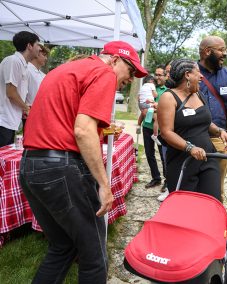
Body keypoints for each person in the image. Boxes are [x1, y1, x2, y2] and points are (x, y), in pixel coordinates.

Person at [19, 41, 147, 283]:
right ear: (115, 60)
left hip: (31, 165)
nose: (130, 79)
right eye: (131, 72)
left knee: (63, 245)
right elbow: (82, 131)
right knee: (94, 256)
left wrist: (101, 130)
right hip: (61, 168)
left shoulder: (67, 69)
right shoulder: (104, 72)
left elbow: (65, 119)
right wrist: (104, 185)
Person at [158, 58, 227, 202]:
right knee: (186, 206)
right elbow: (166, 133)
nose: (202, 76)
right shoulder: (168, 97)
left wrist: (219, 131)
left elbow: (205, 122)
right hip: (182, 162)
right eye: (198, 72)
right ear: (187, 75)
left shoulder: (199, 94)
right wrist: (190, 148)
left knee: (212, 201)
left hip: (208, 158)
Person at [198, 35, 227, 197]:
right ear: (207, 51)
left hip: (220, 139)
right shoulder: (191, 73)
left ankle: (214, 215)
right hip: (194, 137)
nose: (225, 54)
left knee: (216, 186)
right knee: (194, 182)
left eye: (225, 49)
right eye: (221, 50)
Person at [0, 31, 40, 147]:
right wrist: (26, 109)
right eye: (38, 45)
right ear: (29, 46)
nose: (39, 49)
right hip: (3, 121)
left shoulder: (23, 65)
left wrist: (23, 108)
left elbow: (17, 93)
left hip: (10, 121)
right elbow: (11, 92)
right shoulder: (13, 61)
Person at [142, 66, 168, 190]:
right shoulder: (148, 86)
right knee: (149, 153)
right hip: (147, 126)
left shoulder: (168, 91)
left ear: (165, 76)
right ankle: (156, 178)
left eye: (160, 75)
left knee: (164, 155)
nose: (157, 77)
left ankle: (168, 180)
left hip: (161, 128)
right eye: (156, 74)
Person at [22, 44, 50, 130]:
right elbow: (22, 92)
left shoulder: (44, 75)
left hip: (42, 113)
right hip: (29, 112)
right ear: (37, 54)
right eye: (44, 55)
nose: (46, 58)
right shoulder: (26, 70)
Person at [154, 65, 170, 201]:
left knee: (168, 160)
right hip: (157, 129)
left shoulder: (169, 91)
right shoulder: (152, 87)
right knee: (164, 158)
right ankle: (167, 184)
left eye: (163, 74)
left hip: (168, 131)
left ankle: (169, 185)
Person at [136, 75, 160, 145]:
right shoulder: (151, 85)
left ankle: (138, 125)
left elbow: (138, 98)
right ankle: (155, 135)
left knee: (143, 114)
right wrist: (156, 94)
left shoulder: (142, 87)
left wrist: (141, 106)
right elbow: (155, 95)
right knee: (156, 118)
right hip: (148, 104)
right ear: (151, 81)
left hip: (141, 104)